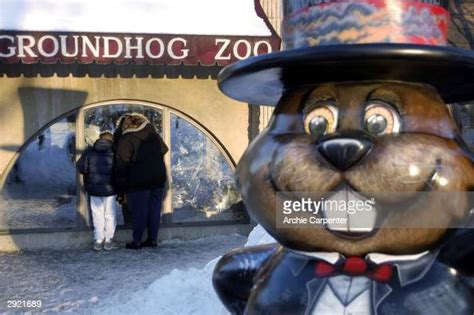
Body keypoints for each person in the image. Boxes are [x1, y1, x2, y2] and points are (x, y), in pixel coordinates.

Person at [114, 113, 168, 250]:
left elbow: (121, 163)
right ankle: (152, 239)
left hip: (138, 180)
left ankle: (136, 241)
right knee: (154, 210)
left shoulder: (126, 138)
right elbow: (164, 149)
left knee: (139, 211)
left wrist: (120, 187)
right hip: (157, 177)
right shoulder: (153, 135)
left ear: (127, 125)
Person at [77, 131, 119, 251]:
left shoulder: (90, 152)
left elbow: (81, 167)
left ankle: (98, 240)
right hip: (110, 188)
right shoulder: (114, 152)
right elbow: (119, 170)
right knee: (110, 214)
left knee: (97, 214)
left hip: (94, 188)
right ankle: (109, 240)